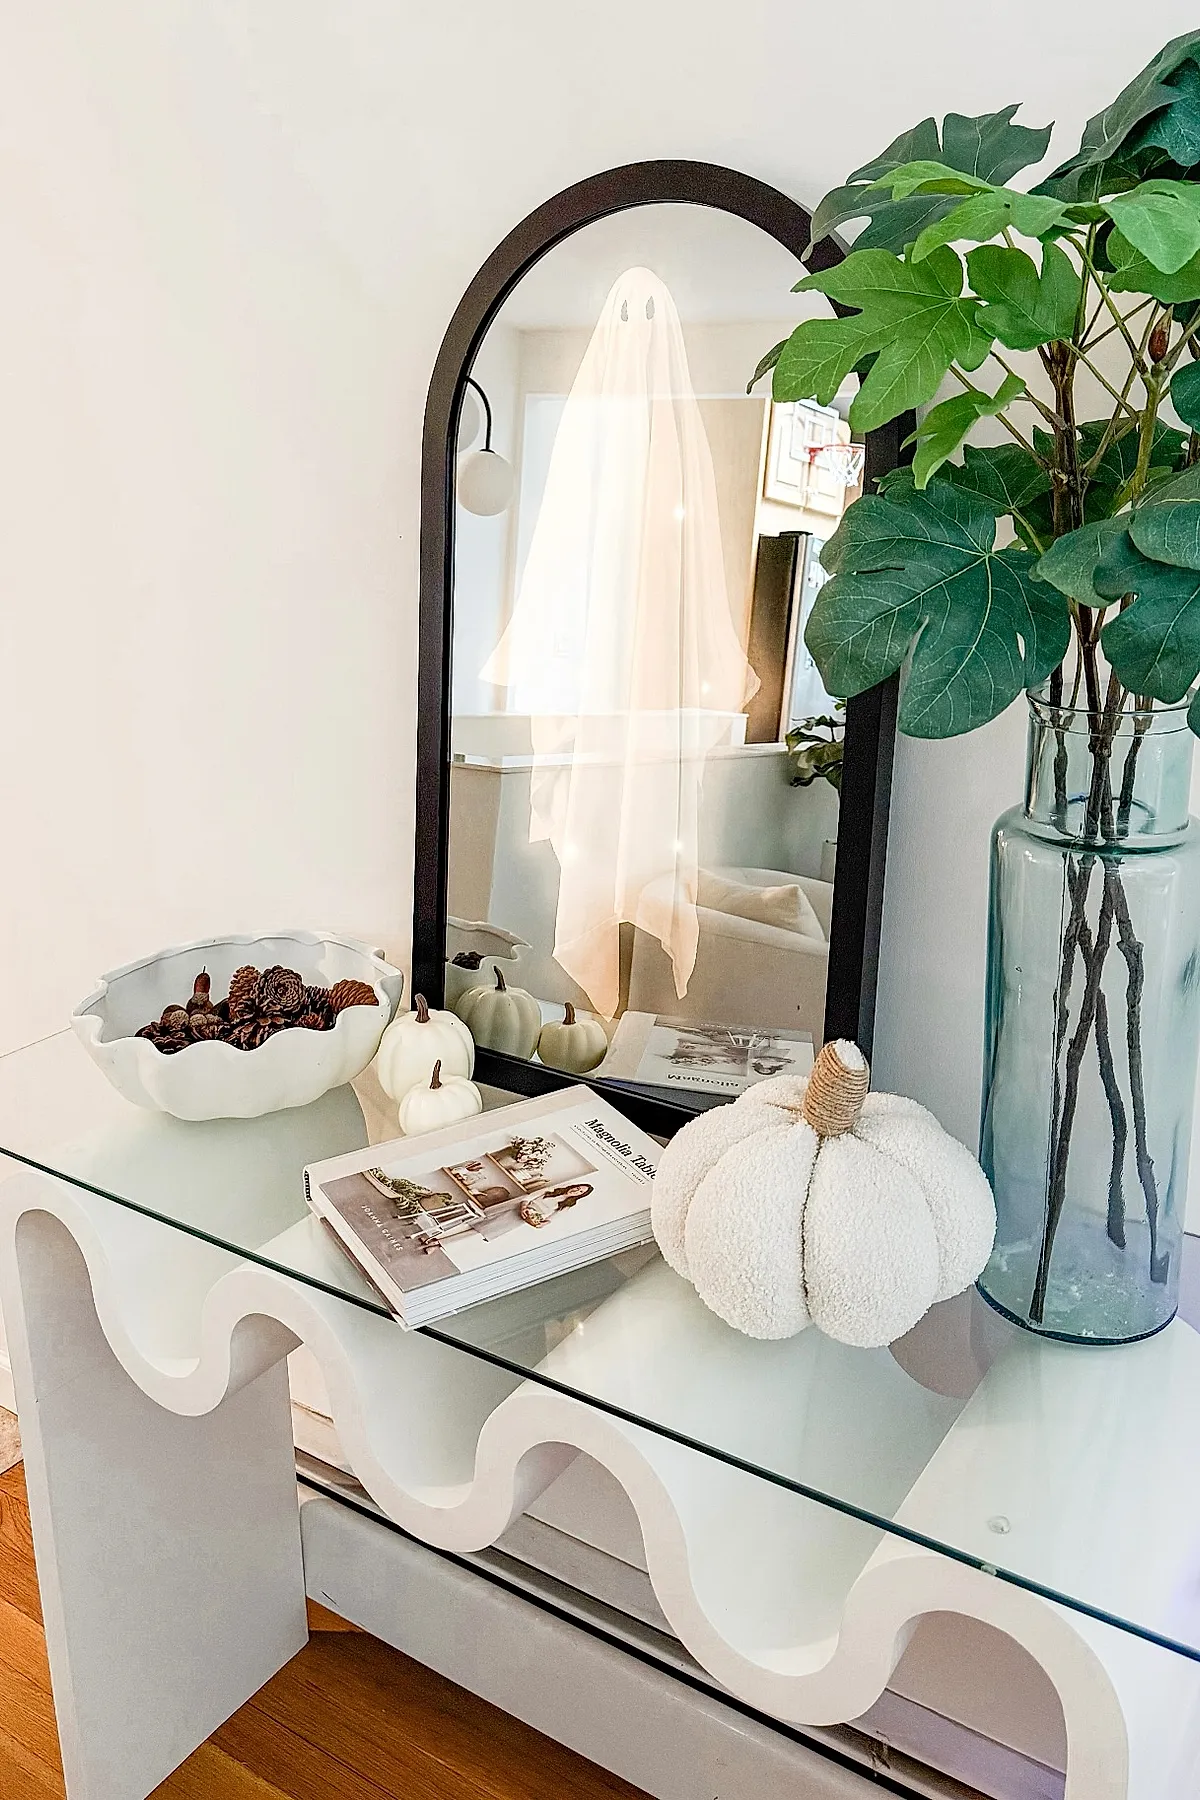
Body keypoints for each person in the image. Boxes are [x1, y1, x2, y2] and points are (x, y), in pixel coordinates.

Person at [519, 1181, 593, 1228]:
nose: (576, 1191)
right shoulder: (552, 1190)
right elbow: (529, 1197)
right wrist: (523, 1208)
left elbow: (551, 1219)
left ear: (580, 1195)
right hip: (521, 1208)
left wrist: (541, 1224)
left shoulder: (567, 1205)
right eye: (578, 1188)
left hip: (528, 1219)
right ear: (574, 1186)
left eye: (580, 1192)